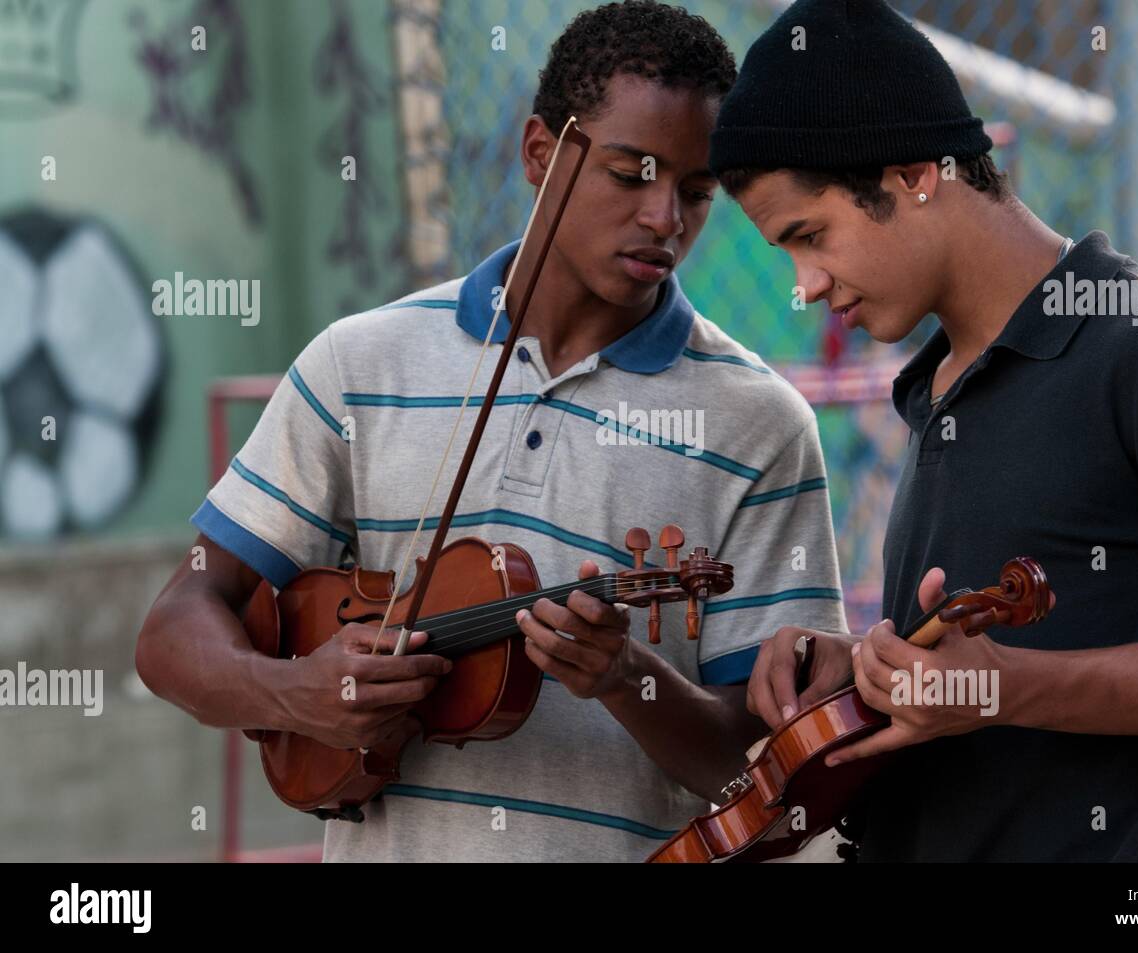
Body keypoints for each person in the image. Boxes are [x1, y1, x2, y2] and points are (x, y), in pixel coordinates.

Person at [135, 0, 847, 863]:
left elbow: (767, 777)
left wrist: (628, 680)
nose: (667, 219)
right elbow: (176, 627)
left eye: (696, 192)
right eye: (632, 173)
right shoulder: (362, 364)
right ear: (541, 154)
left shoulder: (759, 426)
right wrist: (294, 693)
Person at [715, 0, 1138, 861]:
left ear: (915, 171)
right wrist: (864, 675)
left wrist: (1016, 688)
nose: (804, 283)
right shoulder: (933, 385)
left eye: (810, 235)